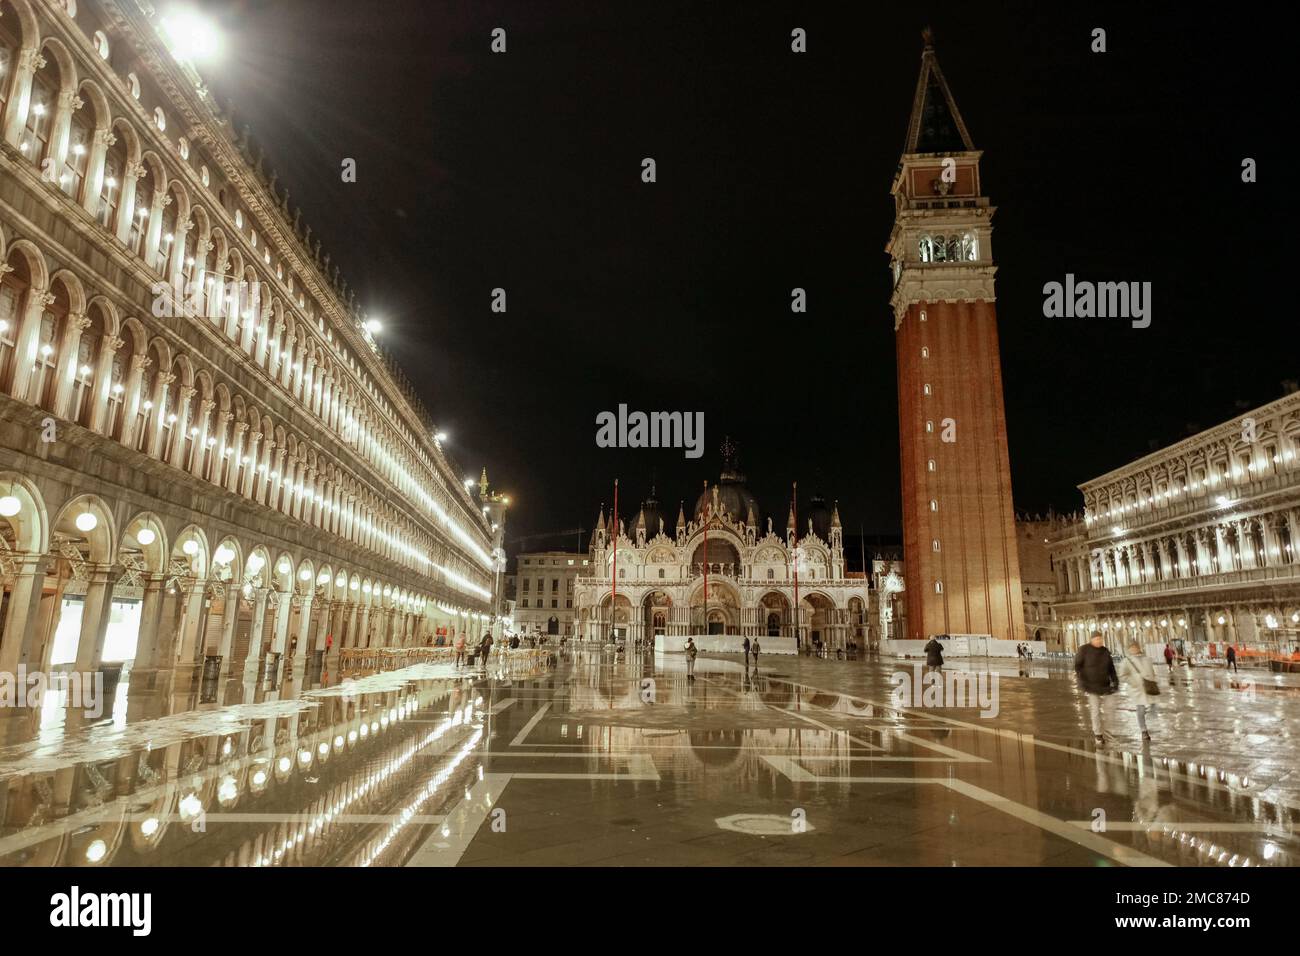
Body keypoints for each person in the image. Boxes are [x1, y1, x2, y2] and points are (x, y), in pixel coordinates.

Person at [1075, 632, 1119, 744]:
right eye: (1097, 639)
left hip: (1105, 685)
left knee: (1110, 710)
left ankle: (1108, 732)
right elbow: (1078, 666)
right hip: (1091, 686)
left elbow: (1111, 668)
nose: (1099, 641)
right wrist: (1082, 680)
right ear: (1092, 640)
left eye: (1100, 639)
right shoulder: (1084, 650)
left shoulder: (1105, 651)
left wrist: (1115, 681)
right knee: (1095, 711)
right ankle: (1098, 734)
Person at [1120, 641, 1160, 742]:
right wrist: (1133, 681)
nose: (1134, 649)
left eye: (1135, 647)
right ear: (1129, 649)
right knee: (1141, 709)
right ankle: (1144, 730)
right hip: (1137, 689)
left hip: (1149, 686)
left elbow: (1152, 671)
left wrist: (1154, 680)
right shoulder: (1127, 661)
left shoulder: (1146, 658)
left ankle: (1150, 723)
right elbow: (1122, 676)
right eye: (1131, 647)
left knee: (1153, 706)